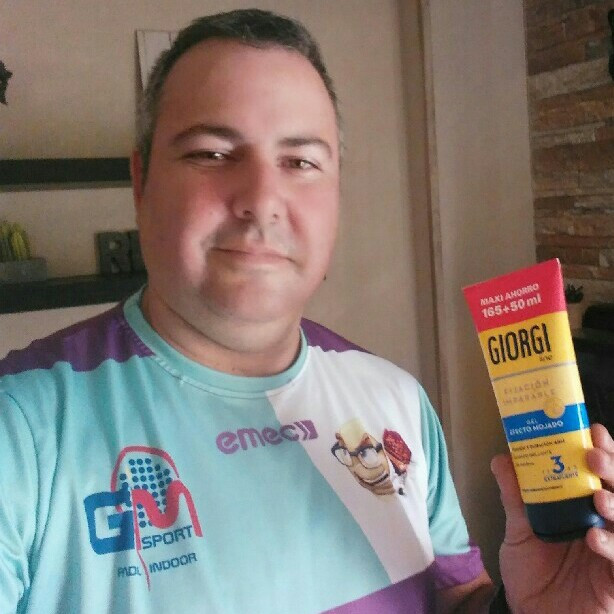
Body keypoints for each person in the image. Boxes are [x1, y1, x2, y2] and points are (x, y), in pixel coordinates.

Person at [0, 9, 613, 613]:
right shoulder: (21, 431)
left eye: (299, 162)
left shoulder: (395, 399)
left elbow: (453, 599)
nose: (262, 199)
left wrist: (537, 607)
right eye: (212, 153)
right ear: (142, 182)